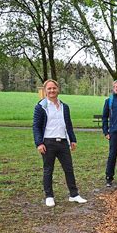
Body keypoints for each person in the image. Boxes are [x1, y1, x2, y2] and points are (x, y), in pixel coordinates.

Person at [32, 79, 87, 207]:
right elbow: (36, 126)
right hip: (48, 143)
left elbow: (68, 124)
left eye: (54, 88)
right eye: (49, 89)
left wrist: (72, 139)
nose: (52, 91)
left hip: (62, 142)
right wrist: (39, 143)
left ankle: (74, 195)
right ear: (45, 91)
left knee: (69, 169)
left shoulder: (64, 107)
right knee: (48, 170)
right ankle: (49, 196)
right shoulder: (41, 107)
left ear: (58, 89)